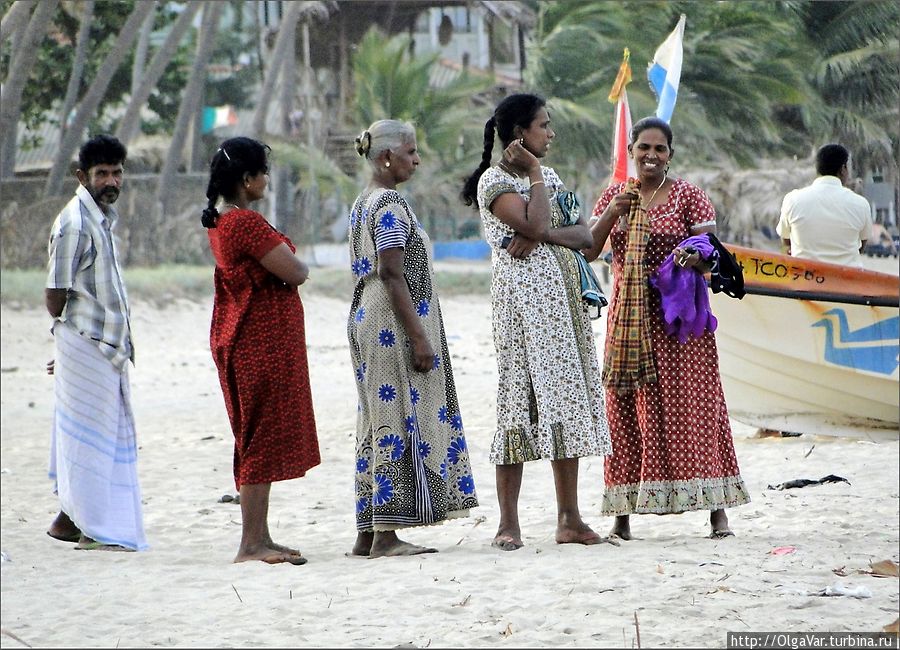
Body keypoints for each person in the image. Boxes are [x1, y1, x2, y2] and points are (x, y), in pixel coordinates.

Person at [585, 116, 750, 540]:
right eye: (644, 148)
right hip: (630, 322)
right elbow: (588, 249)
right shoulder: (614, 197)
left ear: (670, 155)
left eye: (660, 149)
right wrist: (613, 214)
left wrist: (691, 259)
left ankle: (718, 514)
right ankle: (622, 519)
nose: (651, 156)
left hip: (680, 326)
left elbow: (712, 256)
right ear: (631, 151)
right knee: (625, 410)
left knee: (693, 409)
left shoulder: (690, 199)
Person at [461, 93, 612, 551]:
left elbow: (584, 238)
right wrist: (533, 194)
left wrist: (540, 234)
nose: (550, 133)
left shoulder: (549, 175)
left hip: (562, 311)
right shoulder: (495, 181)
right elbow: (534, 222)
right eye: (543, 125)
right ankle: (509, 523)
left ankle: (569, 519)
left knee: (563, 403)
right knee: (518, 406)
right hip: (522, 313)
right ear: (519, 135)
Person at [347, 119, 478, 558]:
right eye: (411, 151)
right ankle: (386, 533)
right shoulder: (387, 204)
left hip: (369, 316)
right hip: (390, 324)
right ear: (387, 157)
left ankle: (368, 531)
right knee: (395, 414)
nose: (417, 159)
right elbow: (391, 271)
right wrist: (419, 337)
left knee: (375, 417)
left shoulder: (363, 201)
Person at [201, 136, 320, 565]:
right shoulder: (244, 224)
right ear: (248, 180)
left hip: (246, 339)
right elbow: (297, 270)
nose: (267, 180)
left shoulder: (224, 222)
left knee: (255, 437)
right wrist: (289, 256)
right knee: (258, 438)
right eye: (263, 173)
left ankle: (260, 537)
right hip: (258, 343)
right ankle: (251, 543)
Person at [45, 134, 148, 551]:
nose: (111, 180)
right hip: (86, 344)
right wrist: (67, 349)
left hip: (106, 347)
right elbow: (55, 296)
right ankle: (89, 526)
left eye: (117, 172)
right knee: (90, 439)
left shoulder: (103, 218)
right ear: (81, 176)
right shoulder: (73, 222)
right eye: (102, 173)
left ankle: (69, 520)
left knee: (99, 437)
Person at [776, 143, 873, 268]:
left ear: (817, 168)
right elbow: (862, 245)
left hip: (804, 281)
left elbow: (786, 241)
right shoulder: (860, 204)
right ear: (843, 169)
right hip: (848, 282)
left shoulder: (793, 200)